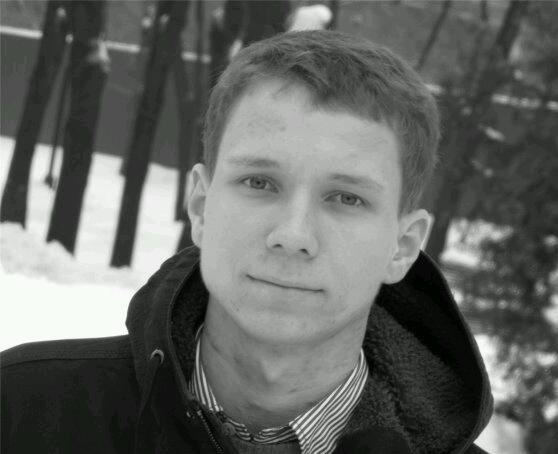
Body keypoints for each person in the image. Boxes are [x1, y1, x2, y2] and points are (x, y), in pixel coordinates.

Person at [1, 30, 493, 454]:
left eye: (346, 198)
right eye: (260, 182)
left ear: (402, 246)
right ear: (200, 206)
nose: (293, 236)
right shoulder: (21, 412)